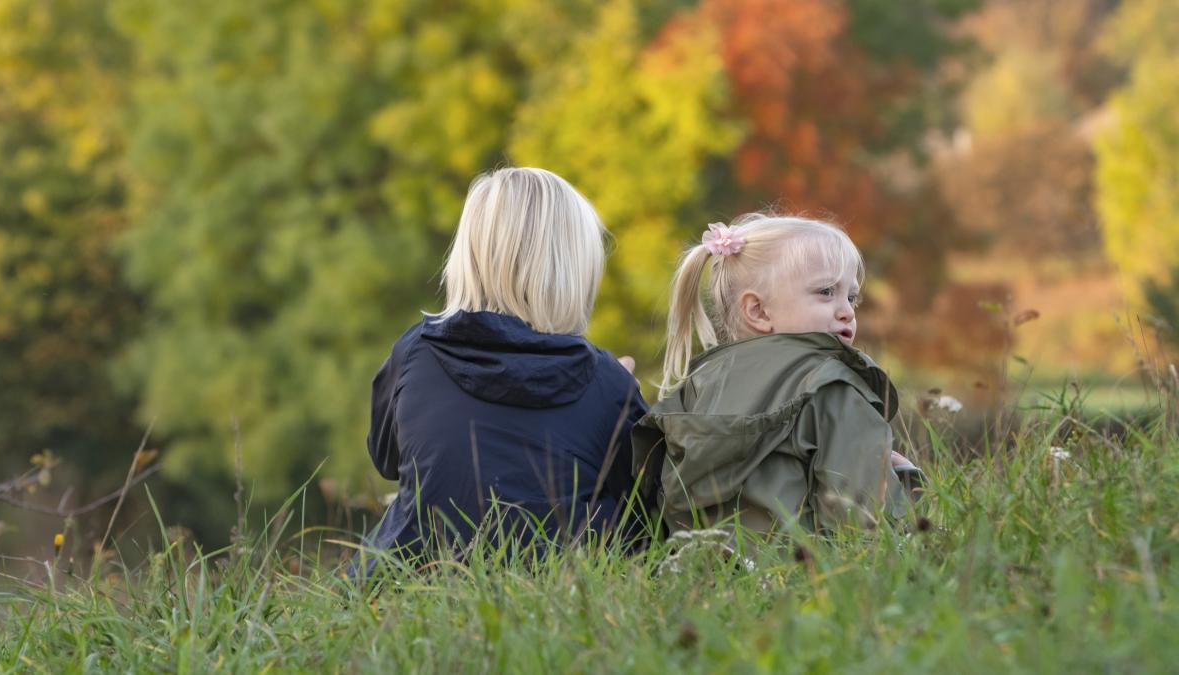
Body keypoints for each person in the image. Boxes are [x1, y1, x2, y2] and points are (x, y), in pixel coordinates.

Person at [355, 167, 645, 572]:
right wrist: (623, 394)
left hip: (408, 579)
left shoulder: (415, 353)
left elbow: (387, 460)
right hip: (559, 588)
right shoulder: (607, 383)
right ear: (575, 272)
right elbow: (645, 500)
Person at [631, 213, 919, 538]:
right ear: (758, 311)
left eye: (851, 297)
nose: (847, 311)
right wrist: (906, 482)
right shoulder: (833, 385)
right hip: (798, 577)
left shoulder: (699, 382)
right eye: (826, 292)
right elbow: (862, 521)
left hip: (698, 573)